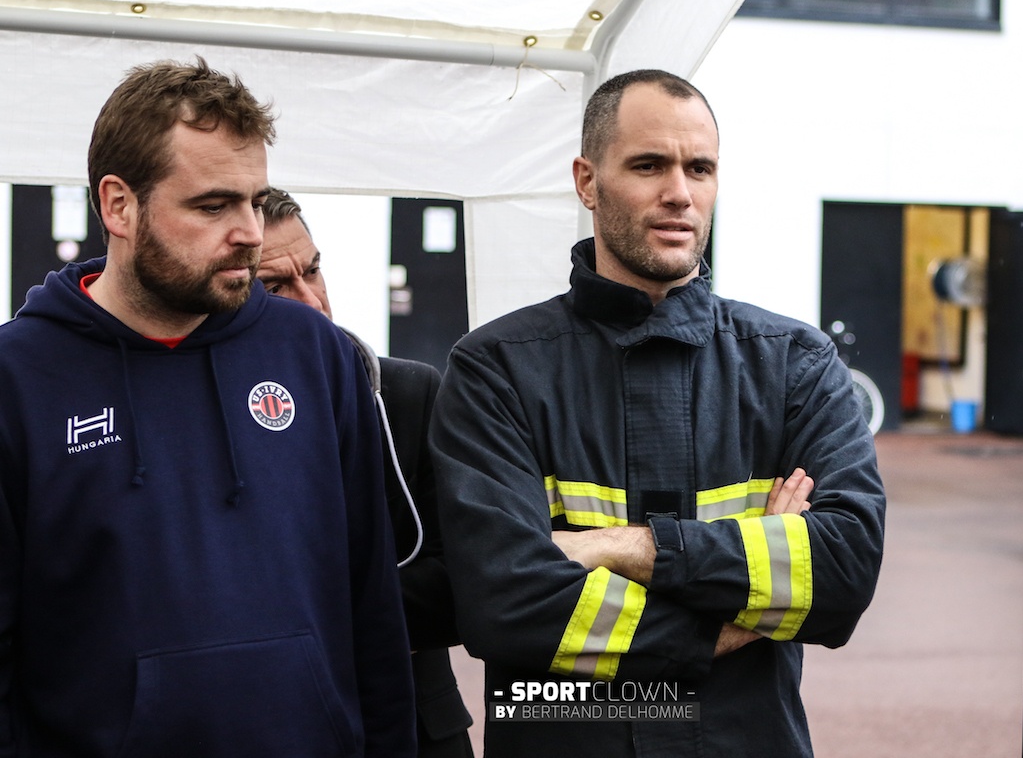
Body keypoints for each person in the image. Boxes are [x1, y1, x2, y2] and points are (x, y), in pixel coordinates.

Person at [429, 69, 886, 757]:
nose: (679, 192)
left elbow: (846, 569)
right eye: (649, 165)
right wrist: (746, 608)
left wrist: (624, 547)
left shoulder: (795, 363)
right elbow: (506, 607)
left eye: (699, 168)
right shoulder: (497, 369)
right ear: (587, 181)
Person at [0, 58, 417, 757]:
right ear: (118, 205)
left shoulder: (316, 355)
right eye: (213, 205)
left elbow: (373, 608)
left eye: (254, 201)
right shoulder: (19, 378)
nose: (252, 232)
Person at [258, 188, 475, 758]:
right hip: (274, 722)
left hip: (416, 725)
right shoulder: (208, 419)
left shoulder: (405, 393)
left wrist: (293, 611)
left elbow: (465, 581)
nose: (310, 302)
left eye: (313, 271)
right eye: (274, 287)